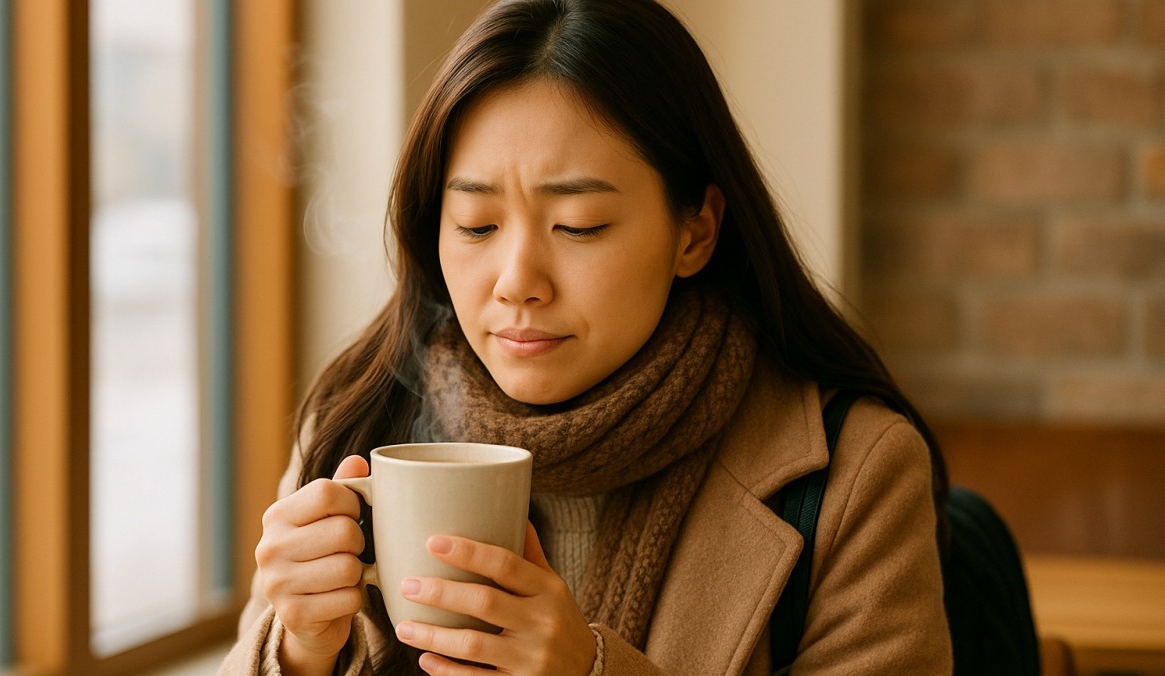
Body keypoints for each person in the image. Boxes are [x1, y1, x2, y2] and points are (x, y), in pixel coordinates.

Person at [221, 0, 952, 673]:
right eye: (476, 225)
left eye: (579, 226)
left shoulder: (856, 475)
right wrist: (296, 650)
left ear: (695, 231)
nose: (516, 281)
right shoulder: (355, 421)